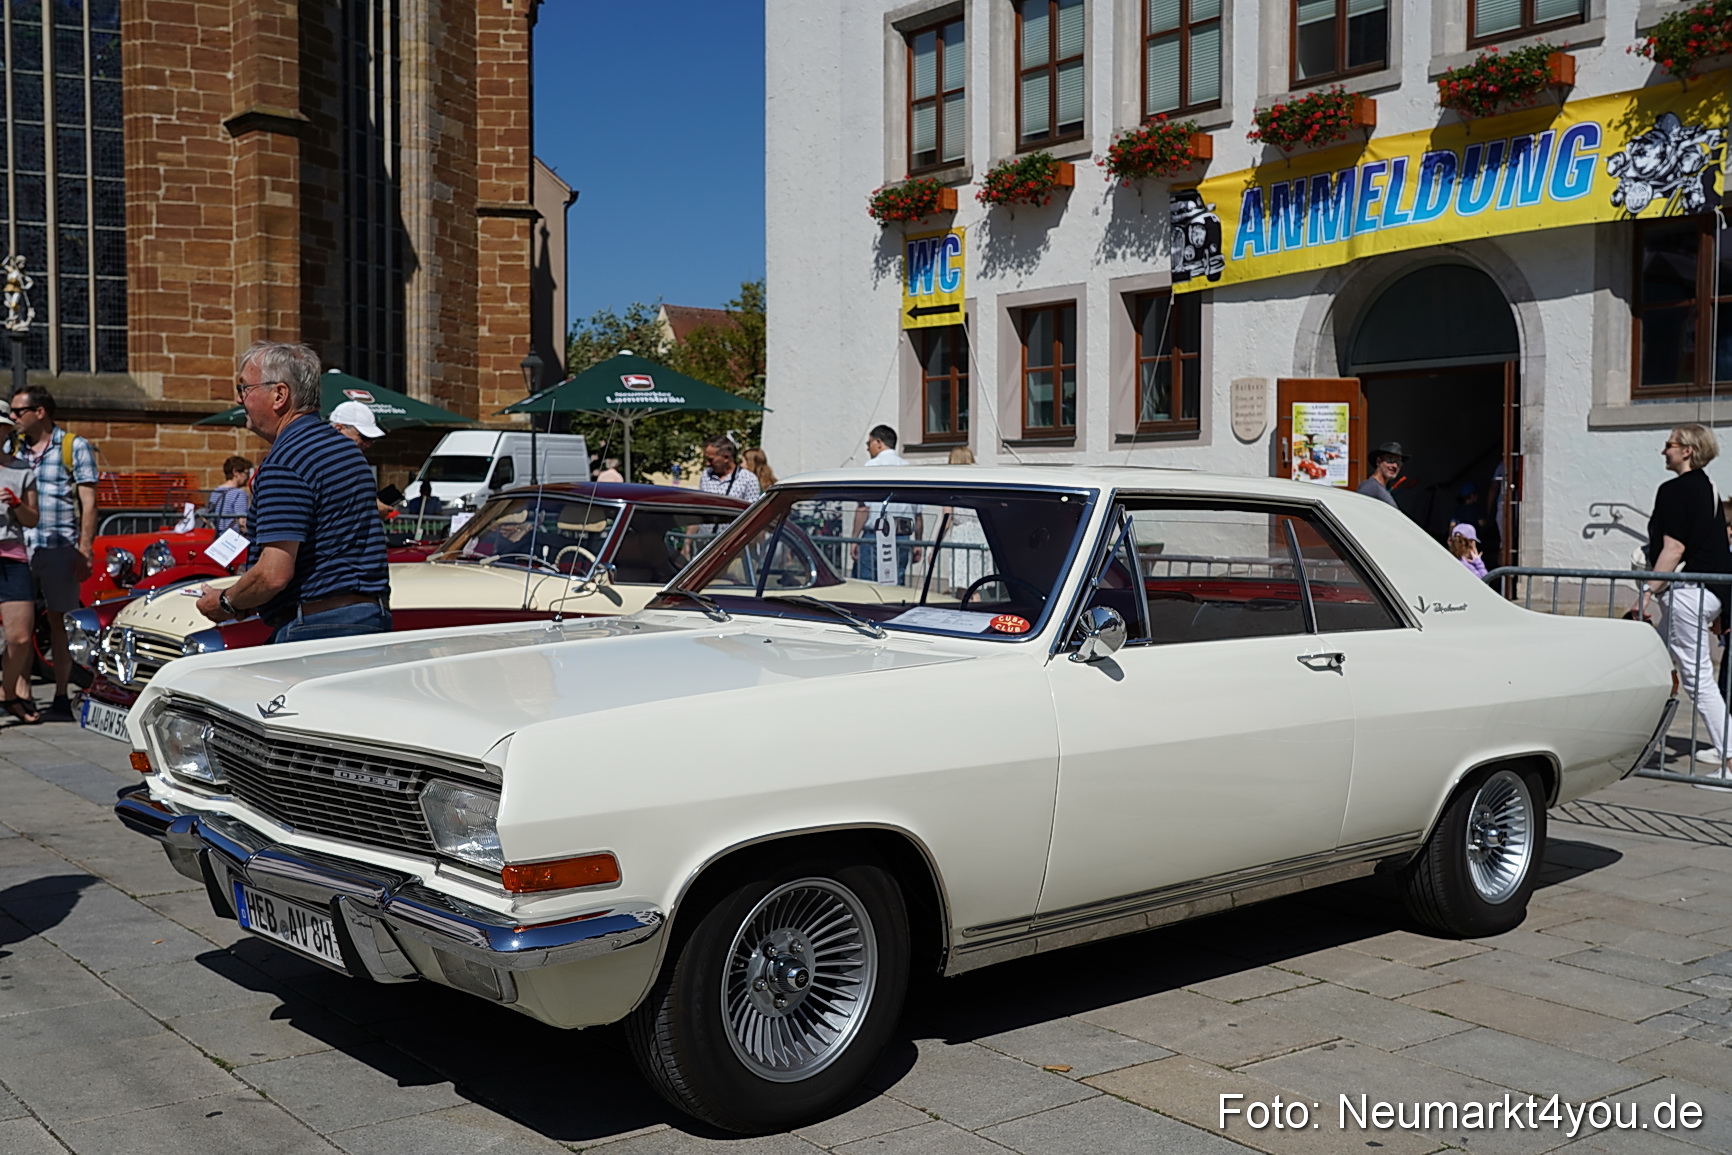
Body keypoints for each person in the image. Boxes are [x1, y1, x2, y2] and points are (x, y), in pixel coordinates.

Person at [195, 342, 391, 643]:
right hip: (368, 618)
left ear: (279, 395)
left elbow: (274, 573)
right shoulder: (347, 451)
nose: (238, 398)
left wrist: (224, 602)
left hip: (317, 627)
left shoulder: (287, 461)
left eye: (245, 388)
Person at [1635, 424, 1732, 789]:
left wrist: (1646, 593)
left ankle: (1731, 759)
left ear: (1687, 450)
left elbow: (1673, 548)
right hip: (1706, 592)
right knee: (1652, 661)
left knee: (1699, 681)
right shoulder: (1708, 487)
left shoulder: (1676, 490)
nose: (1664, 451)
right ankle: (1635, 740)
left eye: (1669, 445)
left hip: (1690, 594)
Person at [11, 385, 98, 721]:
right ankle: (22, 694)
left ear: (40, 412)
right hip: (21, 548)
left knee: (59, 622)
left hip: (60, 548)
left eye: (19, 412)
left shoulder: (73, 446)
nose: (14, 418)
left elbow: (88, 504)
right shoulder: (13, 446)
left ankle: (61, 693)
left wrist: (84, 549)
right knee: (21, 624)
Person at [0, 440, 40, 723]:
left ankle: (8, 692)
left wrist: (16, 504)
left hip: (12, 555)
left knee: (20, 637)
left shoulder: (21, 470)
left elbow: (32, 519)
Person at [851, 425, 921, 582]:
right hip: (902, 535)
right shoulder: (909, 469)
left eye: (869, 444)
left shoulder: (870, 467)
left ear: (879, 442)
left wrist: (854, 539)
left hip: (875, 535)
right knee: (895, 584)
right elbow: (917, 514)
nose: (868, 449)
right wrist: (918, 542)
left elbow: (864, 508)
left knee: (867, 584)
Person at [328, 400, 396, 518]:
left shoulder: (351, 461)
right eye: (364, 437)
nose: (368, 444)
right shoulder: (325, 462)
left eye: (371, 439)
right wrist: (374, 508)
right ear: (339, 429)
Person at [698, 435, 761, 502]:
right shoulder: (706, 474)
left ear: (726, 458)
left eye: (711, 460)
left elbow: (752, 510)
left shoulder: (748, 479)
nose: (707, 463)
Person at [206, 455, 253, 533]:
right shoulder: (239, 493)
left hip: (216, 537)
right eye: (246, 473)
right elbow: (242, 522)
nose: (247, 478)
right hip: (231, 538)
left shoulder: (216, 491)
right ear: (235, 472)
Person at [1356, 442, 1405, 508]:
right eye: (1390, 460)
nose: (1395, 465)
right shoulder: (1370, 487)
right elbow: (1358, 511)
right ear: (1378, 461)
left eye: (1399, 462)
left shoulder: (1381, 488)